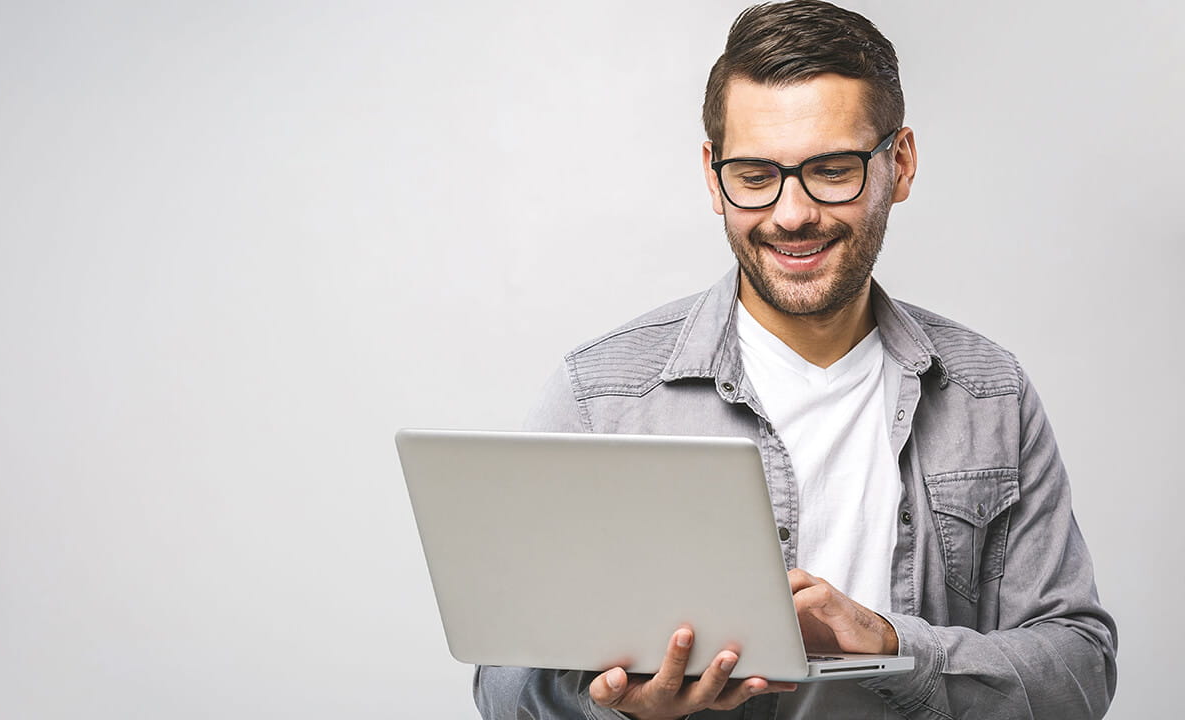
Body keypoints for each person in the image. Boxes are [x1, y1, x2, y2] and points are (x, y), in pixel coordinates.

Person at [472, 1, 1118, 718]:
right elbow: (502, 684)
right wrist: (615, 709)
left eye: (832, 170)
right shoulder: (600, 396)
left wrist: (896, 645)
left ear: (898, 165)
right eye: (755, 175)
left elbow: (1080, 669)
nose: (790, 213)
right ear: (714, 178)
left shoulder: (990, 395)